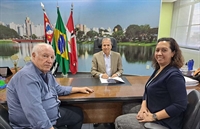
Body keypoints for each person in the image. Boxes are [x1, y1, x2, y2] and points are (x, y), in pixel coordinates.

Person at [6, 43, 94, 129]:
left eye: (52, 57)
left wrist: (78, 89)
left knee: (77, 115)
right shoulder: (26, 76)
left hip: (52, 116)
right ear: (33, 56)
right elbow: (34, 110)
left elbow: (57, 88)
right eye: (45, 56)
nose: (50, 61)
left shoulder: (46, 72)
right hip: (31, 124)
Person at [115, 37, 187, 129]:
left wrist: (153, 117)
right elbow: (147, 89)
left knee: (120, 121)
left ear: (173, 53)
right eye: (157, 50)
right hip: (151, 109)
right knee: (127, 107)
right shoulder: (160, 69)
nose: (159, 53)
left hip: (164, 122)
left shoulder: (174, 76)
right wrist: (143, 107)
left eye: (164, 50)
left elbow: (180, 105)